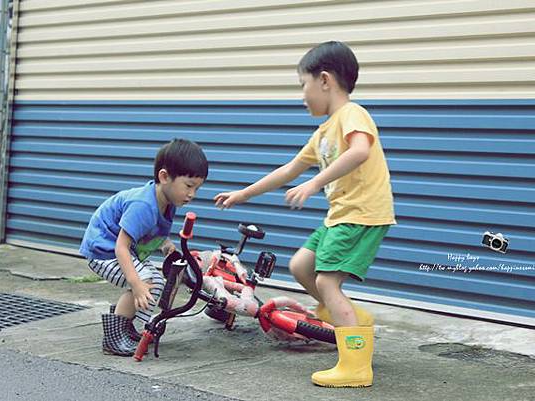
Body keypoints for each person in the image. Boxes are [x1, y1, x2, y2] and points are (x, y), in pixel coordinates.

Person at [214, 41, 395, 387]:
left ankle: (356, 365)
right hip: (340, 214)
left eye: (303, 85)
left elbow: (359, 151)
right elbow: (288, 170)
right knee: (301, 266)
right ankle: (353, 320)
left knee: (328, 283)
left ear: (324, 80)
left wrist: (314, 185)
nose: (301, 96)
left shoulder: (353, 114)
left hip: (361, 213)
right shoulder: (324, 131)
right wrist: (243, 194)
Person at [80, 139, 208, 356]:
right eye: (188, 186)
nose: (192, 194)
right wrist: (136, 283)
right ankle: (113, 339)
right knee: (145, 282)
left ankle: (125, 327)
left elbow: (154, 231)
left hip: (122, 249)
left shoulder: (167, 202)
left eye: (197, 188)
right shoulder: (143, 206)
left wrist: (166, 245)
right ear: (164, 177)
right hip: (104, 251)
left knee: (155, 281)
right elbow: (121, 246)